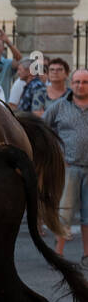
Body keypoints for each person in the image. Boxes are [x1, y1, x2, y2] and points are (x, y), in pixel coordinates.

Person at [44, 68, 88, 261]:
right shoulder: (59, 106)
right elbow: (44, 131)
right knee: (65, 212)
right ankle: (58, 255)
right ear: (71, 84)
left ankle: (87, 254)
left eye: (85, 82)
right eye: (77, 82)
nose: (80, 85)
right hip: (69, 167)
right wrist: (57, 158)